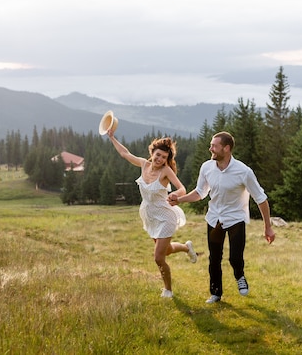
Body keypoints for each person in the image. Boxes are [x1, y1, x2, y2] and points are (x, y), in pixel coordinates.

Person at [168, 131, 275, 303]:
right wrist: (180, 200)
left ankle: (239, 275)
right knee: (214, 257)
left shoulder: (243, 171)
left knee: (235, 257)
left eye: (214, 146)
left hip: (235, 219)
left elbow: (261, 199)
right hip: (214, 218)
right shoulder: (207, 167)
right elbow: (200, 192)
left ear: (226, 148)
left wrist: (267, 226)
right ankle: (216, 292)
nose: (210, 148)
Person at [107, 129, 198, 299]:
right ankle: (186, 247)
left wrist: (175, 195)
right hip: (149, 215)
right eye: (158, 155)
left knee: (158, 257)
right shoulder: (144, 164)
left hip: (165, 216)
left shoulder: (166, 171)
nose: (160, 159)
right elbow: (125, 153)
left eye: (164, 157)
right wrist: (112, 137)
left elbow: (182, 188)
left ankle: (168, 290)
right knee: (167, 251)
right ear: (152, 153)